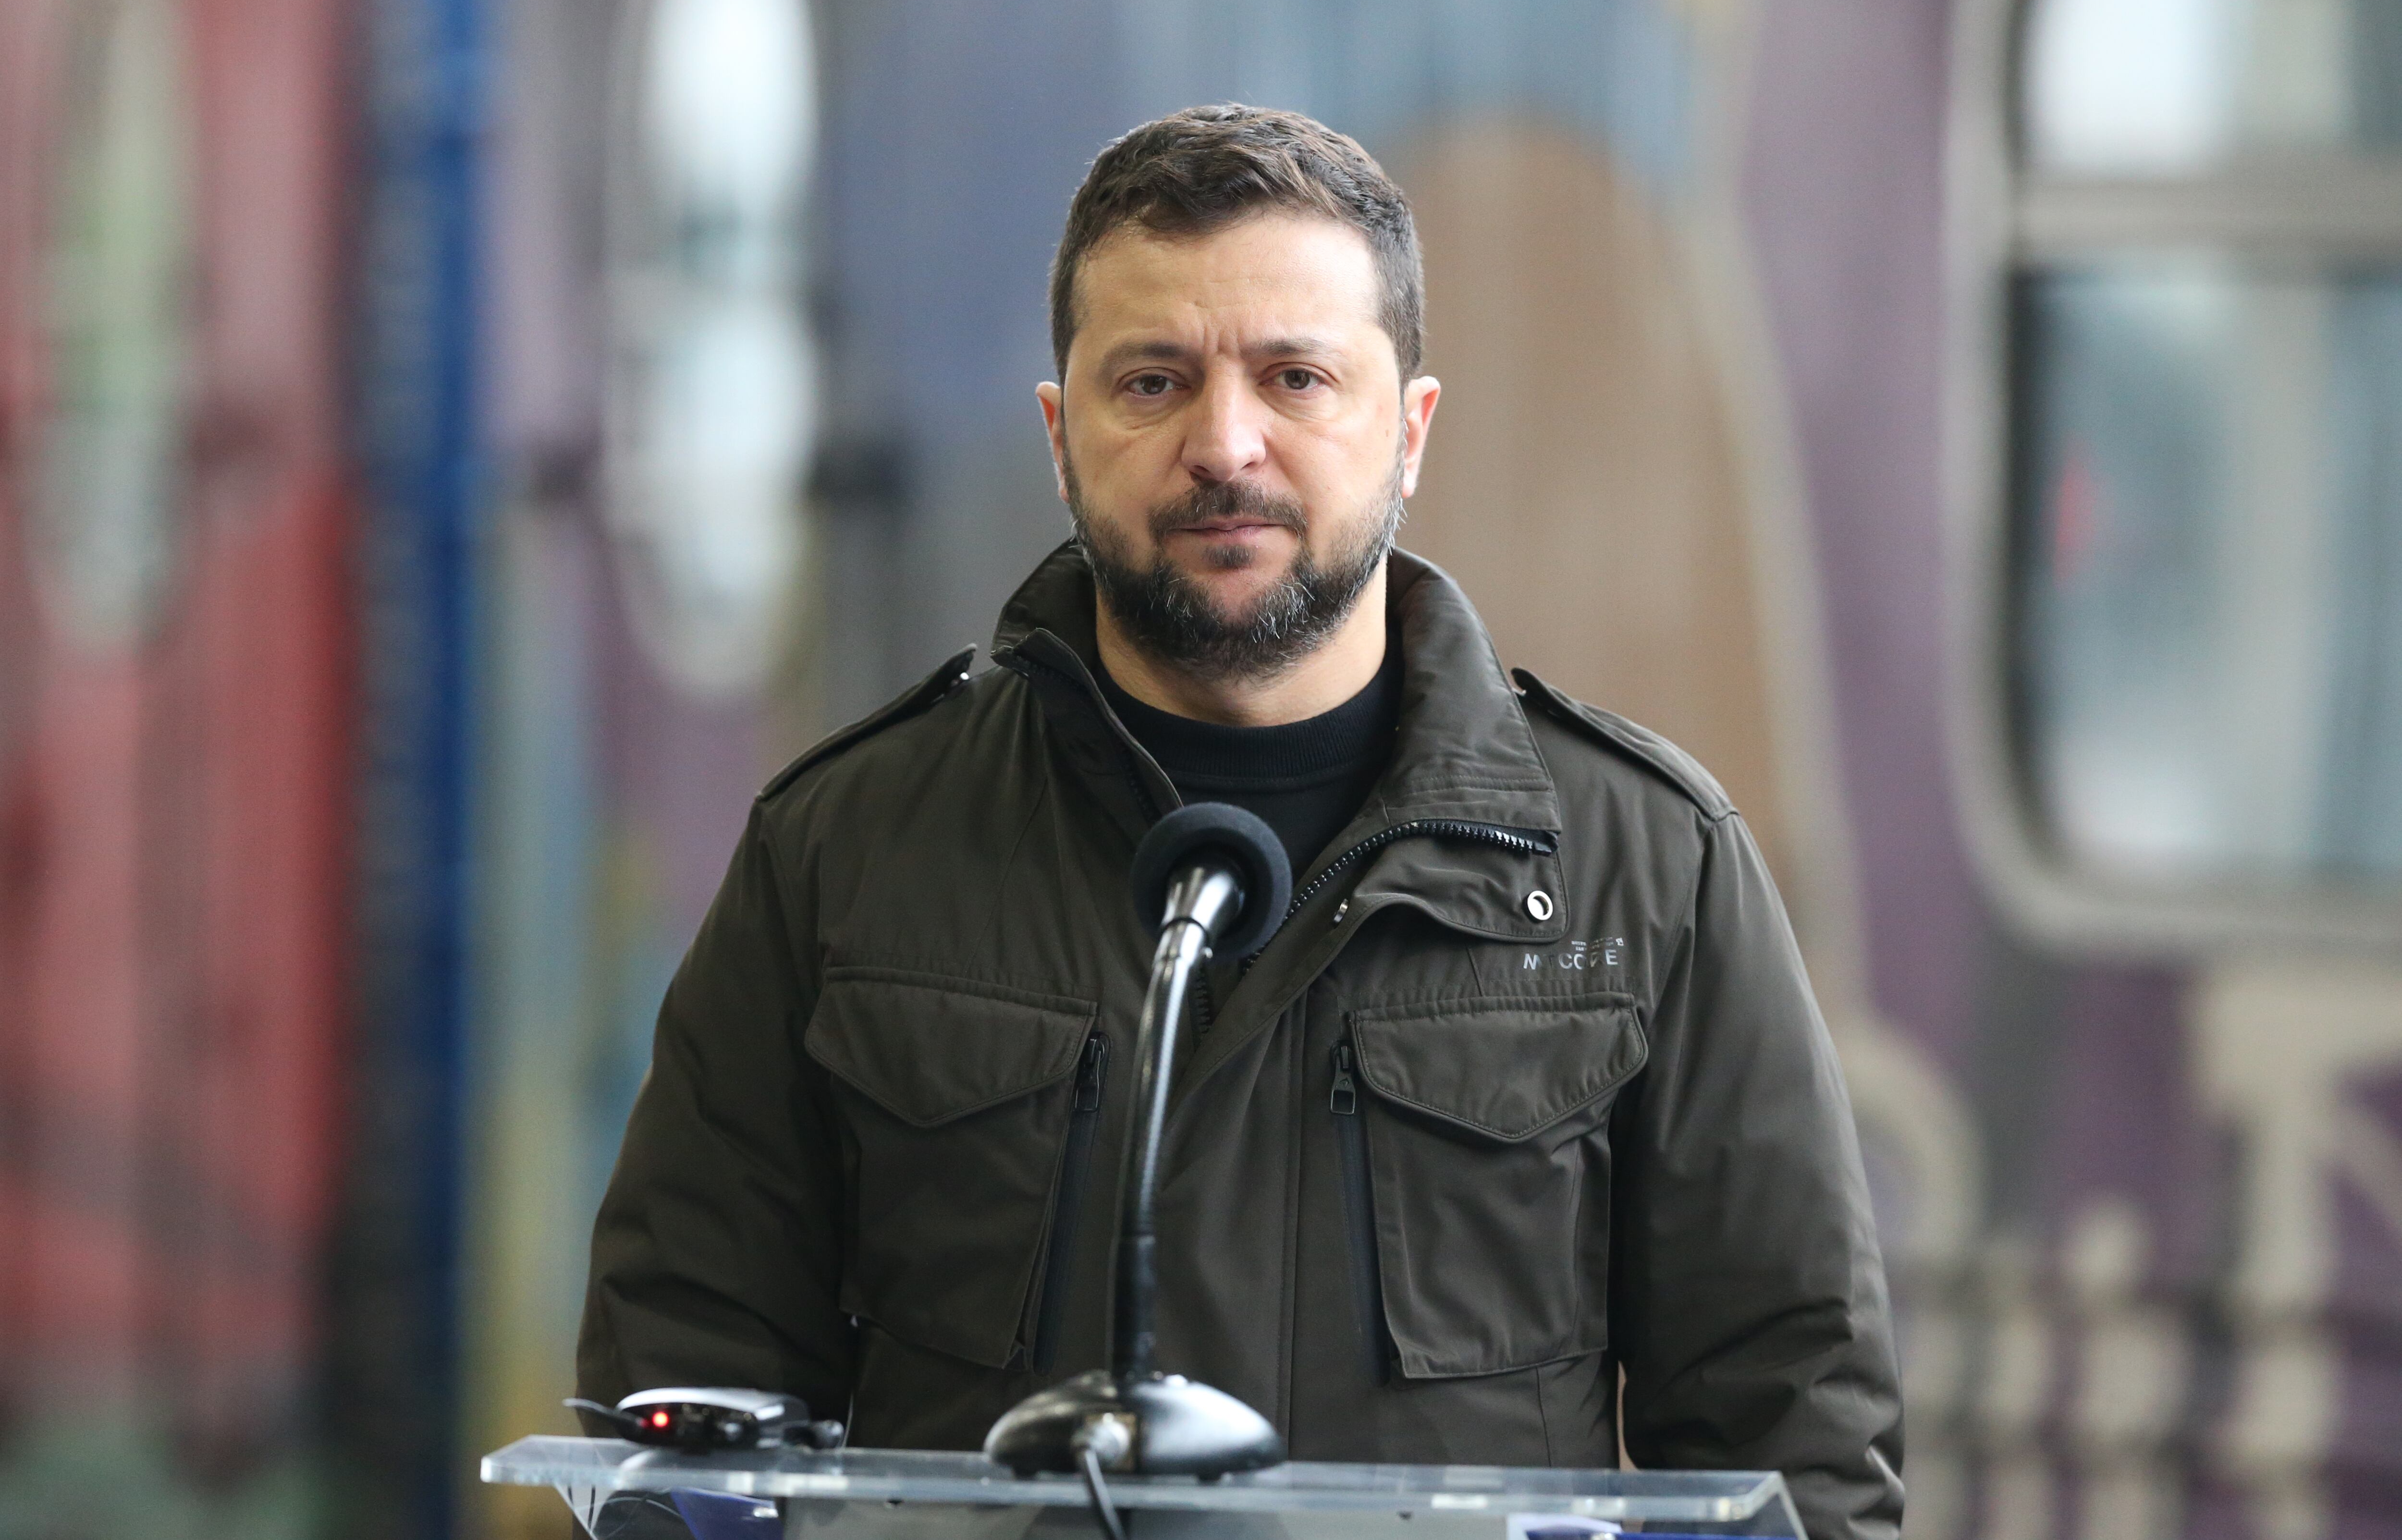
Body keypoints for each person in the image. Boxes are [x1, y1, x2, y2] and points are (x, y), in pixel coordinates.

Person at [579, 105, 1904, 1540]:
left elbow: (1799, 1442)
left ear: (1409, 432)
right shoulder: (847, 855)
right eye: (1152, 381)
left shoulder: (1647, 875)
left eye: (1297, 377)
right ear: (1060, 432)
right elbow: (683, 1394)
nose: (1226, 444)